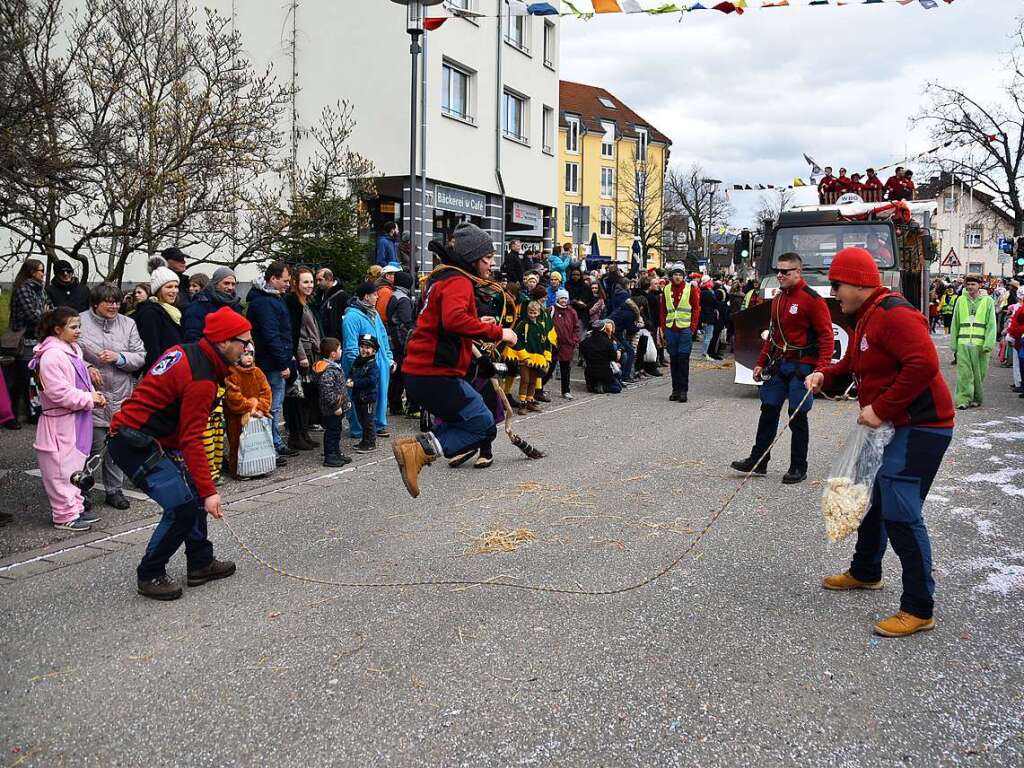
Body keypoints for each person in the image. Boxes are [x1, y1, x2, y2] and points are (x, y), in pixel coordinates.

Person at [806, 246, 955, 638]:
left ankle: (919, 608)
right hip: (894, 425)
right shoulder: (867, 316)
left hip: (923, 427)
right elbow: (857, 364)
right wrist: (826, 375)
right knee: (872, 502)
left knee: (901, 510)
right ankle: (866, 571)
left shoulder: (895, 315)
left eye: (836, 284)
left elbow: (924, 364)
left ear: (858, 283)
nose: (833, 291)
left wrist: (881, 407)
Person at [108, 307, 252, 601]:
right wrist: (211, 491)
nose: (248, 348)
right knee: (182, 508)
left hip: (153, 438)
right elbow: (192, 439)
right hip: (134, 442)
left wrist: (203, 489)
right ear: (223, 341)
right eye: (243, 341)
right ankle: (150, 573)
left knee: (193, 495)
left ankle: (200, 562)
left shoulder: (184, 351)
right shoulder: (201, 379)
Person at [394, 222, 515, 498]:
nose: (491, 264)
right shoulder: (459, 281)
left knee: (465, 422)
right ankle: (415, 450)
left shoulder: (442, 278)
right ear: (473, 258)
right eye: (488, 258)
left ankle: (420, 449)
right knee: (483, 424)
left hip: (421, 373)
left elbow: (445, 323)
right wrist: (500, 331)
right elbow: (453, 320)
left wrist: (475, 323)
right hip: (433, 374)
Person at [730, 252, 832, 484]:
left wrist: (820, 371)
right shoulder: (778, 299)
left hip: (803, 366)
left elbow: (827, 339)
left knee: (797, 416)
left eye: (785, 271)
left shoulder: (813, 300)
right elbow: (772, 336)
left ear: (798, 272)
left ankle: (798, 466)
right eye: (778, 271)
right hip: (780, 364)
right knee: (768, 410)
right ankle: (759, 460)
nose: (780, 275)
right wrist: (760, 362)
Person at [30, 307, 106, 531]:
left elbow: (80, 380)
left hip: (76, 418)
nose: (78, 331)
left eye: (79, 326)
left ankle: (75, 509)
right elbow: (58, 392)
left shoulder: (71, 349)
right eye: (73, 327)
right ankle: (64, 515)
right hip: (60, 421)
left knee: (76, 466)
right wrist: (89, 397)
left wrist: (93, 394)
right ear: (57, 329)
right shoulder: (52, 356)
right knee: (61, 469)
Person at [78, 283, 146, 510]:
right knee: (91, 446)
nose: (114, 305)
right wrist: (87, 367)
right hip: (91, 395)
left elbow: (140, 356)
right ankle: (81, 491)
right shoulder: (80, 322)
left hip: (121, 392)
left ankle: (114, 490)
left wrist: (119, 357)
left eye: (117, 301)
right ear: (95, 303)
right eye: (108, 301)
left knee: (117, 446)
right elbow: (70, 353)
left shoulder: (128, 324)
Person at [245, 261, 296, 460]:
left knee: (272, 406)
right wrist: (282, 362)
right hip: (272, 363)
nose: (287, 284)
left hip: (274, 359)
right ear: (272, 279)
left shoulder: (271, 298)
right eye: (284, 280)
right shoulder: (265, 302)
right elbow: (271, 335)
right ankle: (270, 446)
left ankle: (275, 442)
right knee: (270, 406)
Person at [342, 281, 394, 446]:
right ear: (366, 296)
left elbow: (383, 338)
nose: (377, 296)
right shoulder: (351, 317)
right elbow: (350, 348)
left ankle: (378, 425)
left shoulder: (375, 313)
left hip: (380, 363)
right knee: (360, 398)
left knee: (379, 395)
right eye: (374, 294)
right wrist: (358, 366)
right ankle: (358, 429)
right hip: (361, 366)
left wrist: (389, 357)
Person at [6, 258, 50, 425]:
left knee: (34, 379)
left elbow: (50, 310)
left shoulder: (41, 290)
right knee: (20, 380)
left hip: (37, 340)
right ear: (31, 272)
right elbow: (33, 316)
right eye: (40, 270)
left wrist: (45, 314)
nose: (43, 273)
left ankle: (33, 413)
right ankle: (12, 417)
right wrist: (45, 314)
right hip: (23, 342)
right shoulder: (23, 289)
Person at [284, 266, 322, 451]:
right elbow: (294, 332)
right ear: (296, 284)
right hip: (303, 354)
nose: (309, 285)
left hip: (311, 352)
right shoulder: (293, 303)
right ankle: (296, 435)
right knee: (297, 396)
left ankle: (304, 432)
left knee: (307, 396)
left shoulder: (306, 302)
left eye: (311, 282)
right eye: (305, 282)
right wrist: (300, 355)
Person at [224, 344, 272, 479]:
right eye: (245, 354)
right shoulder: (232, 373)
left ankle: (260, 466)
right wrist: (251, 408)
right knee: (237, 443)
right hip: (237, 417)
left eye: (251, 354)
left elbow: (266, 391)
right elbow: (233, 397)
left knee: (258, 441)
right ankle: (239, 470)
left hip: (257, 414)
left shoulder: (257, 372)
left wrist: (261, 408)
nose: (249, 357)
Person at [950, 274, 997, 409]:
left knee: (978, 373)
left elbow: (991, 324)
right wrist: (954, 342)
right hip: (963, 343)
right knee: (964, 373)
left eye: (973, 284)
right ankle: (963, 399)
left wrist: (989, 343)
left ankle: (976, 397)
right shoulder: (960, 300)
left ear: (979, 285)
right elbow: (955, 322)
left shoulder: (988, 301)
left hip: (980, 344)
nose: (970, 287)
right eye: (968, 284)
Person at [133, 263, 184, 372]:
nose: (174, 291)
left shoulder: (174, 312)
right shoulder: (151, 313)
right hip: (161, 375)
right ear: (158, 290)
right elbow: (151, 350)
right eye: (169, 287)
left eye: (176, 286)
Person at [661, 264, 701, 402]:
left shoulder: (690, 289)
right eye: (675, 274)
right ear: (672, 276)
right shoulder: (666, 289)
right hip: (671, 329)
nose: (677, 277)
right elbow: (663, 310)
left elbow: (696, 309)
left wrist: (692, 329)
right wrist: (664, 328)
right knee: (674, 361)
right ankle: (675, 390)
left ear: (683, 276)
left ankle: (683, 390)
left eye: (680, 274)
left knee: (683, 361)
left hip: (685, 329)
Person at [182, 267, 241, 343]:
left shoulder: (235, 305)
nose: (230, 287)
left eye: (233, 284)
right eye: (226, 283)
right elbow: (193, 336)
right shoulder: (199, 305)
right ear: (216, 283)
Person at [317, 337, 351, 467]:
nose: (341, 351)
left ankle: (336, 452)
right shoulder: (328, 371)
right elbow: (327, 392)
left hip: (338, 408)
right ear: (333, 353)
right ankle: (330, 456)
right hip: (331, 409)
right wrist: (336, 403)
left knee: (337, 430)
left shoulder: (334, 367)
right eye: (339, 349)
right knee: (331, 432)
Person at [513, 301, 553, 414]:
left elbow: (546, 344)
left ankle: (530, 400)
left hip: (538, 360)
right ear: (527, 312)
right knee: (525, 380)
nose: (533, 315)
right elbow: (516, 341)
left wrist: (547, 359)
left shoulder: (541, 326)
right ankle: (522, 403)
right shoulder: (522, 325)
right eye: (530, 312)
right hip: (525, 359)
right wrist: (524, 357)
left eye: (535, 313)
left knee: (533, 381)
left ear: (538, 312)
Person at [386, 271, 416, 416]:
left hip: (393, 337)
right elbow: (407, 321)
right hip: (400, 339)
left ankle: (394, 403)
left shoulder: (394, 295)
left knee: (396, 373)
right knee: (401, 372)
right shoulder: (403, 299)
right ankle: (398, 404)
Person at [348, 334, 381, 453]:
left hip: (368, 399)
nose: (364, 350)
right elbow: (352, 372)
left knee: (368, 421)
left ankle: (371, 442)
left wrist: (355, 383)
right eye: (362, 346)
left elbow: (371, 381)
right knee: (362, 420)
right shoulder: (358, 361)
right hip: (358, 398)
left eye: (367, 347)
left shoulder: (373, 366)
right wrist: (350, 378)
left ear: (374, 351)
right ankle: (364, 440)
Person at [551, 290, 580, 400]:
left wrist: (574, 340)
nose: (563, 301)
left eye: (565, 298)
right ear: (557, 298)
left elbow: (576, 327)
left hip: (567, 344)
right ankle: (539, 389)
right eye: (561, 298)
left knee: (565, 369)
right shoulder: (552, 310)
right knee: (549, 368)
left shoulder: (572, 312)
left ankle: (566, 390)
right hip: (554, 344)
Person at [579, 319, 621, 394]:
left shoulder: (584, 342)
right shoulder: (608, 342)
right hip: (605, 372)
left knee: (592, 386)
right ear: (603, 328)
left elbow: (583, 356)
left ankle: (594, 386)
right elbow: (614, 357)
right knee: (618, 388)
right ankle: (604, 387)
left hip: (590, 372)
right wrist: (618, 353)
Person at [315, 268, 349, 341]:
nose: (317, 283)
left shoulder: (342, 296)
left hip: (335, 339)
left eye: (320, 280)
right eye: (317, 280)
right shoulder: (318, 294)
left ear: (329, 279)